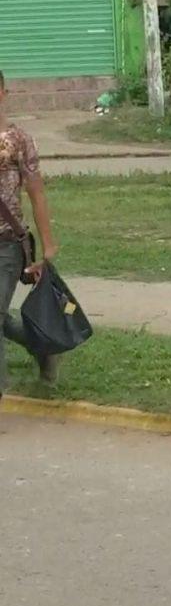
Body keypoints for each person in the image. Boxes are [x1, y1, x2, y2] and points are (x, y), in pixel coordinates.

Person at [0, 71, 60, 403]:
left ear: (3, 92)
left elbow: (36, 194)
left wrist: (47, 244)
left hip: (7, 244)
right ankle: (43, 347)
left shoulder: (19, 140)